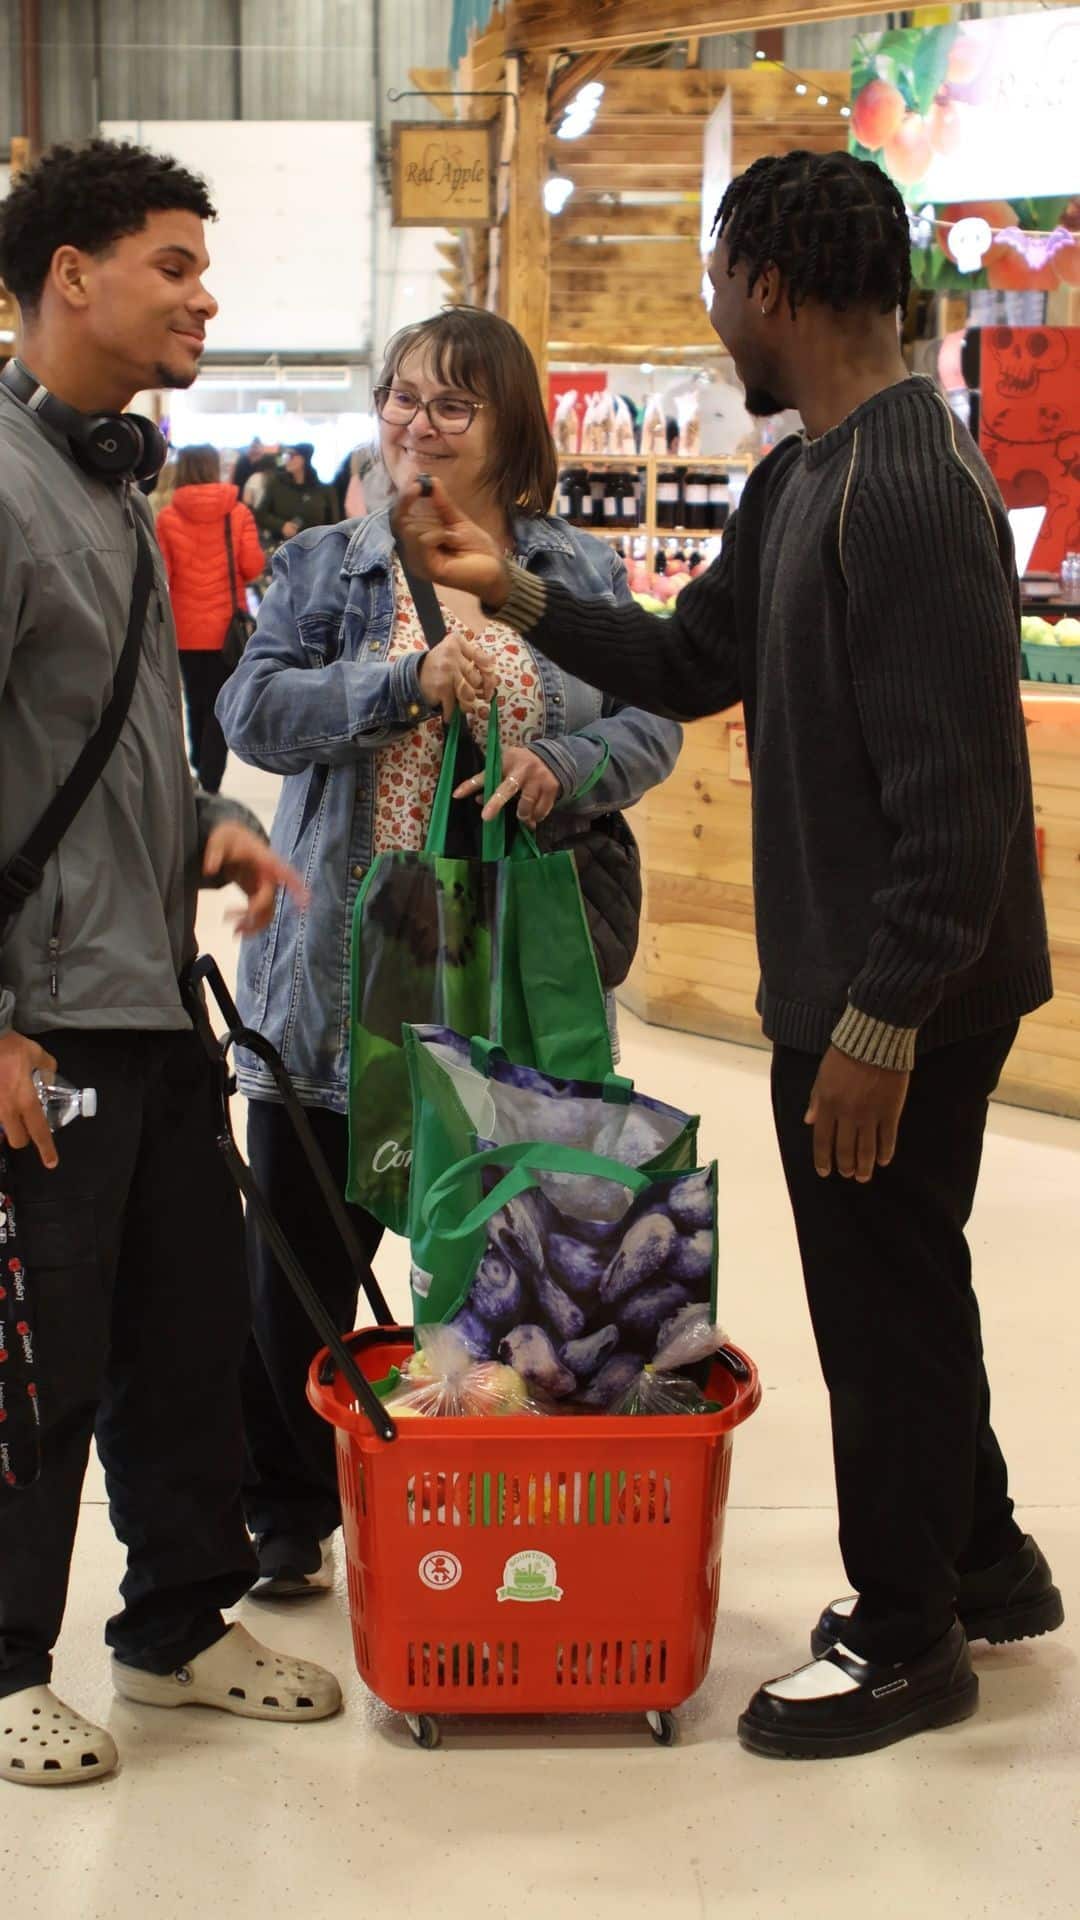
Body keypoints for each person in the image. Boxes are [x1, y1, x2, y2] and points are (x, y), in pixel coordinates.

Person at [396, 153, 1064, 1761]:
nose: (709, 310)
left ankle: (908, 1637)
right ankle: (980, 1559)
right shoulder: (803, 478)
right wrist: (527, 596)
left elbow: (962, 808)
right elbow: (694, 662)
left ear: (769, 284)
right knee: (911, 1277)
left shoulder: (905, 483)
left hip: (897, 991)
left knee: (876, 1305)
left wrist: (882, 1022)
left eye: (715, 277)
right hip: (868, 976)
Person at [217, 306, 682, 1598]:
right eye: (403, 398)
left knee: (504, 1235)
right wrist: (396, 690)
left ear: (511, 432)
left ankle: (491, 1472)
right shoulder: (325, 567)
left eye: (453, 406)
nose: (418, 425)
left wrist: (566, 763)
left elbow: (658, 717)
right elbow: (249, 711)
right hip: (344, 960)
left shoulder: (573, 576)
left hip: (511, 958)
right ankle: (288, 1512)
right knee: (302, 1256)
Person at [0, 137, 342, 1791]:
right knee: (36, 1351)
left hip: (148, 995)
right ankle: (4, 1665)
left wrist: (207, 815)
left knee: (180, 1326)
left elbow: (117, 737)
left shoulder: (120, 485)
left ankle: (180, 1625)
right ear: (74, 274)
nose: (205, 294)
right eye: (176, 265)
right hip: (41, 1015)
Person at [156, 442, 265, 793]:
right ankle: (210, 781)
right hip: (226, 630)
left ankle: (199, 764)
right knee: (220, 707)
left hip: (185, 627)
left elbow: (164, 576)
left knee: (195, 701)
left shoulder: (168, 517)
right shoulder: (238, 514)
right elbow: (252, 568)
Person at [254, 441, 338, 548]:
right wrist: (281, 526)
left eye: (292, 455)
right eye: (286, 456)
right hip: (282, 548)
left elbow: (334, 526)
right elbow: (260, 514)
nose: (287, 459)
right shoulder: (276, 484)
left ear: (304, 459)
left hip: (315, 550)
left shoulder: (325, 490)